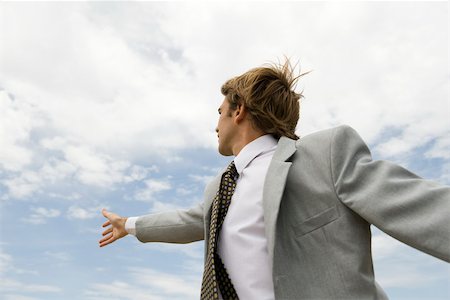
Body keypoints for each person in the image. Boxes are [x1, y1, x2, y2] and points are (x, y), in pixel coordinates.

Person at [99, 60, 450, 300]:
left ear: (238, 111)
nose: (215, 125)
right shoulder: (220, 189)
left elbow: (417, 206)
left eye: (219, 113)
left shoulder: (324, 154)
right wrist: (128, 225)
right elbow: (190, 221)